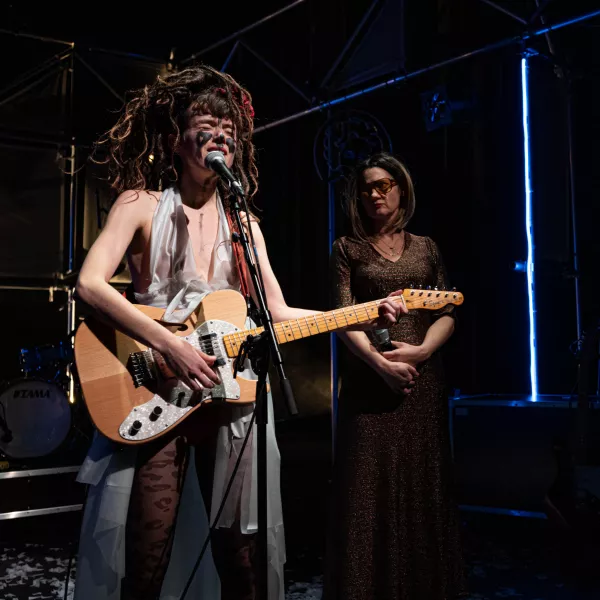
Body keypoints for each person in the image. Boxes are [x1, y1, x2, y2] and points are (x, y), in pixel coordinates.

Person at [72, 66, 405, 600]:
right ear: (175, 141)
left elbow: (276, 312)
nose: (219, 139)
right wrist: (170, 344)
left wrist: (359, 315)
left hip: (229, 390)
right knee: (147, 553)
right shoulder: (141, 204)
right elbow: (90, 285)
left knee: (242, 554)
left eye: (227, 133)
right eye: (205, 129)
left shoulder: (244, 224)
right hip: (156, 384)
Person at [326, 152, 466, 600]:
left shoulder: (427, 247)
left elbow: (447, 311)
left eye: (383, 185)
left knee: (424, 487)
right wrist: (382, 365)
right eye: (366, 187)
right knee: (366, 492)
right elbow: (342, 319)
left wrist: (423, 350)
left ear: (401, 189)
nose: (374, 194)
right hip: (369, 383)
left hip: (422, 383)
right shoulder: (347, 248)